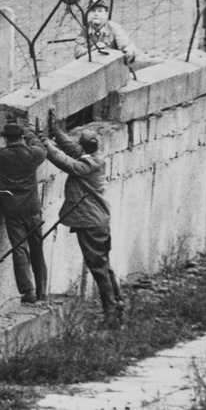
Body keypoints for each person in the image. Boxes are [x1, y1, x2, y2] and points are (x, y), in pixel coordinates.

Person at [43, 111, 124, 328]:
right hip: (97, 220)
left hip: (91, 222)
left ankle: (110, 311)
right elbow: (72, 150)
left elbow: (66, 162)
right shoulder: (94, 156)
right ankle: (117, 302)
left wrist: (44, 144)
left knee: (97, 266)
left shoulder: (87, 165)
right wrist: (56, 133)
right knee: (103, 264)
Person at [0, 120, 48, 304]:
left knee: (20, 248)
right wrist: (29, 133)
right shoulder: (32, 154)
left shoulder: (0, 155)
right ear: (20, 137)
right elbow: (40, 146)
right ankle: (42, 291)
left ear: (5, 139)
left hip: (13, 208)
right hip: (33, 207)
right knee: (37, 249)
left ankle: (28, 291)